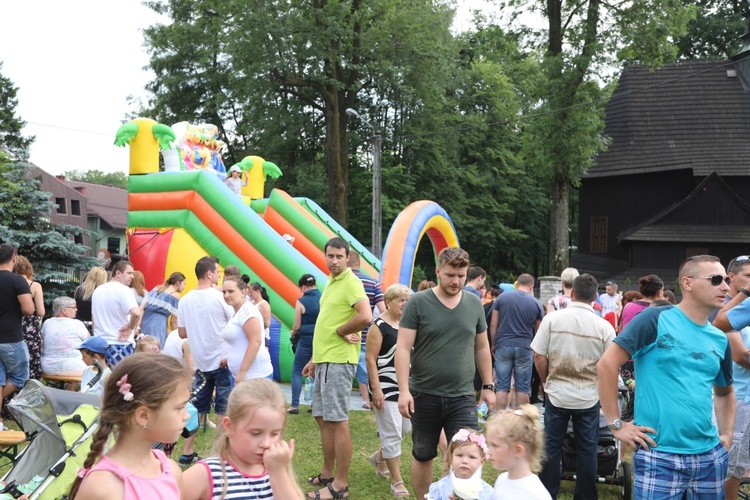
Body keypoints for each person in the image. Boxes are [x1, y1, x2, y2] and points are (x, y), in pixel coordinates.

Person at [598, 255, 734, 499]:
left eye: (726, 280)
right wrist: (616, 425)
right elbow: (607, 364)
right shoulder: (655, 319)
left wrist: (726, 435)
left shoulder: (720, 338)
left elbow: (724, 392)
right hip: (659, 455)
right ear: (687, 283)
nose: (725, 286)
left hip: (709, 458)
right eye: (716, 279)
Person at [395, 247, 495, 500]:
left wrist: (489, 385)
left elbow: (482, 346)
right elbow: (403, 348)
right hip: (423, 393)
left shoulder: (473, 302)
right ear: (438, 271)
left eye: (461, 276)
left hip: (462, 396)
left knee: (468, 453)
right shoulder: (418, 301)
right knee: (423, 452)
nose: (456, 281)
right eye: (450, 275)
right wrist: (404, 391)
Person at [532, 274, 615, 499]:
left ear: (571, 293)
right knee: (588, 449)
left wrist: (545, 380)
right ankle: (586, 495)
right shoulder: (604, 327)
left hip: (557, 392)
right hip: (588, 396)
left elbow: (539, 355)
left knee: (551, 447)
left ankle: (547, 493)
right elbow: (610, 364)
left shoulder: (553, 319)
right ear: (595, 296)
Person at [302, 237, 372, 500]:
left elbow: (365, 315)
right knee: (323, 418)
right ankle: (327, 472)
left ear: (347, 257)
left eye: (339, 257)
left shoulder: (351, 281)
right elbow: (327, 321)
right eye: (330, 256)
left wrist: (343, 331)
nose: (334, 261)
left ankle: (340, 484)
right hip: (326, 359)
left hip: (340, 361)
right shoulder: (331, 280)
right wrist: (315, 358)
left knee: (337, 421)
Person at [69, 353, 192, 499]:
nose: (187, 416)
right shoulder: (102, 487)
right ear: (143, 416)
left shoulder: (170, 471)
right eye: (179, 408)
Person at [182, 378, 304, 499]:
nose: (266, 443)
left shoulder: (276, 468)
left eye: (274, 433)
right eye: (256, 433)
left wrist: (279, 474)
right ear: (229, 427)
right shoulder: (205, 475)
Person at [178, 256, 234, 465]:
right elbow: (234, 322)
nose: (219, 276)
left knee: (197, 407)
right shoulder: (220, 297)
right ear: (209, 274)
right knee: (222, 407)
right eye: (217, 272)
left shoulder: (185, 300)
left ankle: (187, 452)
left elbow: (182, 332)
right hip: (222, 360)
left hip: (200, 362)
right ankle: (219, 454)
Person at [365, 284, 411, 497]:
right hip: (385, 385)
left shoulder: (406, 324)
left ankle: (379, 457)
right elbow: (370, 358)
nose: (405, 304)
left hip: (404, 387)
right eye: (401, 300)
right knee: (393, 432)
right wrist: (376, 390)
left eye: (407, 300)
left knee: (404, 429)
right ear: (389, 301)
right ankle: (397, 481)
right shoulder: (379, 325)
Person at [712, 256, 750, 499]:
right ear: (731, 277)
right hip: (735, 397)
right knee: (729, 466)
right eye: (748, 276)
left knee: (737, 464)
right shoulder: (724, 306)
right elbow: (739, 356)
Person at [490, 273, 544, 409]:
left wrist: (493, 344)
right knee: (523, 388)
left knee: (502, 387)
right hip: (525, 347)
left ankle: (500, 421)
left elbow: (493, 325)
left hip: (503, 345)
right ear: (531, 287)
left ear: (517, 284)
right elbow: (539, 332)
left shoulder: (502, 298)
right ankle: (522, 422)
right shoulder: (536, 303)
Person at [486, 405, 550, 499]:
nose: (488, 451)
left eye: (494, 445)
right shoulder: (502, 480)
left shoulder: (536, 495)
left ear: (518, 450)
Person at [0, 243, 33, 426]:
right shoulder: (17, 281)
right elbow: (29, 309)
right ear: (14, 258)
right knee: (20, 376)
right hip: (11, 338)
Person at [347, 250, 385, 410]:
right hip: (366, 332)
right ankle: (368, 398)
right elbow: (383, 310)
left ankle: (363, 399)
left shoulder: (345, 282)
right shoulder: (373, 283)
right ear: (360, 263)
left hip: (347, 331)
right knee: (367, 365)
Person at [221, 276, 273, 381]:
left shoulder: (247, 311)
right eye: (224, 292)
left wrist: (242, 371)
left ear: (243, 292)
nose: (226, 295)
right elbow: (241, 341)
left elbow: (256, 341)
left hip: (254, 376)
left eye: (231, 291)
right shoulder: (238, 311)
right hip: (246, 375)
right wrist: (229, 359)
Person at [91, 260, 141, 368]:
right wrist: (130, 328)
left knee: (100, 382)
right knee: (119, 382)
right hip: (119, 343)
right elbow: (136, 313)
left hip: (98, 345)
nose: (132, 277)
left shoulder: (98, 290)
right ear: (118, 273)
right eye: (129, 273)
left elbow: (94, 319)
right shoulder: (124, 290)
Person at [426, 429, 494, 500]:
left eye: (472, 457)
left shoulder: (488, 493)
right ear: (451, 458)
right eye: (459, 455)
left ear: (481, 461)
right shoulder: (440, 488)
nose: (464, 461)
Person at [289, 274, 321, 414]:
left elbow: (296, 325)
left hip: (306, 339)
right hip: (320, 339)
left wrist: (293, 333)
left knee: (297, 370)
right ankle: (315, 404)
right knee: (316, 371)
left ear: (303, 287)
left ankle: (295, 405)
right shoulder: (323, 297)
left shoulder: (301, 301)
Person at [13, 255, 45, 381]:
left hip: (13, 326)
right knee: (30, 360)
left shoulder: (10, 282)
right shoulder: (35, 286)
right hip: (30, 329)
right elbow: (41, 312)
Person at [40, 296, 88, 377]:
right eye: (73, 307)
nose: (76, 309)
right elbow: (88, 341)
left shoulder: (47, 323)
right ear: (64, 310)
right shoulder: (77, 323)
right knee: (93, 370)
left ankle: (70, 389)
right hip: (73, 368)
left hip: (47, 368)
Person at [140, 272, 185, 348]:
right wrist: (177, 338)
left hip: (145, 322)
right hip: (158, 325)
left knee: (144, 347)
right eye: (184, 283)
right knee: (156, 348)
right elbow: (173, 321)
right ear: (178, 283)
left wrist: (138, 325)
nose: (184, 286)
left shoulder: (156, 289)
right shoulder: (175, 296)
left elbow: (141, 308)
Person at [75, 267, 108, 335]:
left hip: (79, 324)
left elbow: (75, 306)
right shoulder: (101, 293)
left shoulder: (79, 289)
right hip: (95, 326)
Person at [249, 282, 272, 347]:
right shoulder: (251, 303)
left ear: (257, 291)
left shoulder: (264, 304)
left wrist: (256, 327)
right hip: (252, 335)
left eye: (251, 292)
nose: (250, 294)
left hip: (262, 335)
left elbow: (267, 323)